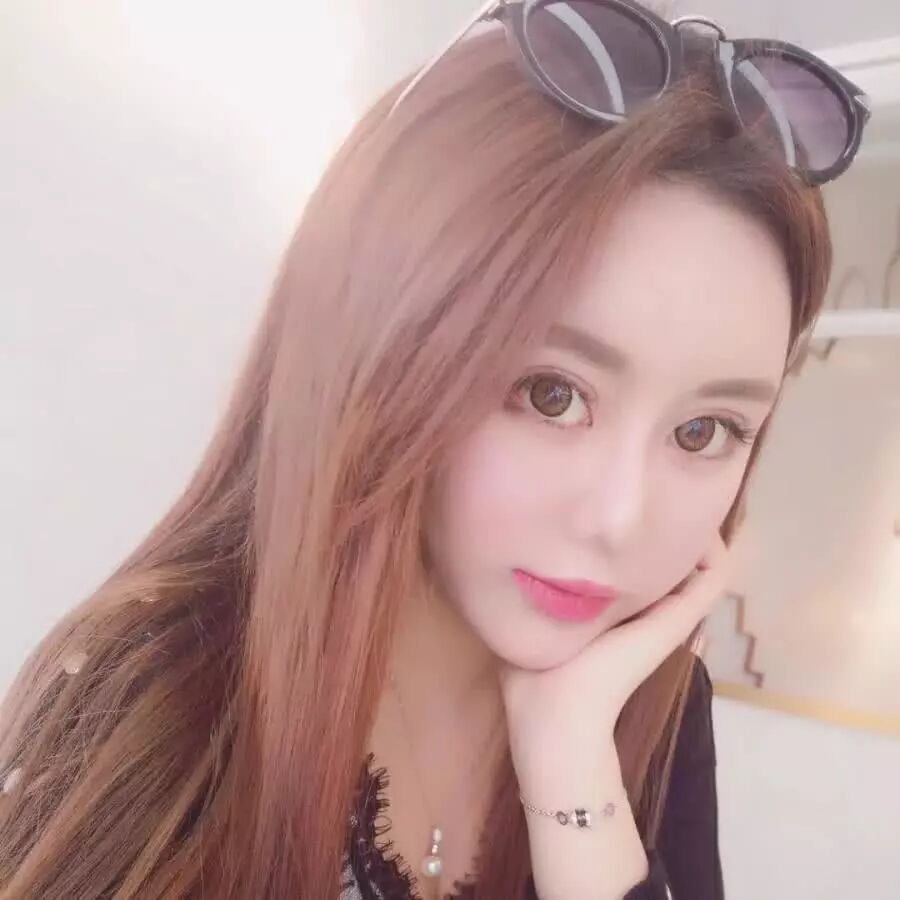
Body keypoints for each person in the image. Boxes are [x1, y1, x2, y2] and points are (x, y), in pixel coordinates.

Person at [0, 2, 869, 898]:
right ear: (381, 355)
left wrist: (572, 767)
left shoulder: (657, 706)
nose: (620, 518)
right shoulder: (154, 698)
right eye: (552, 394)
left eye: (703, 431)